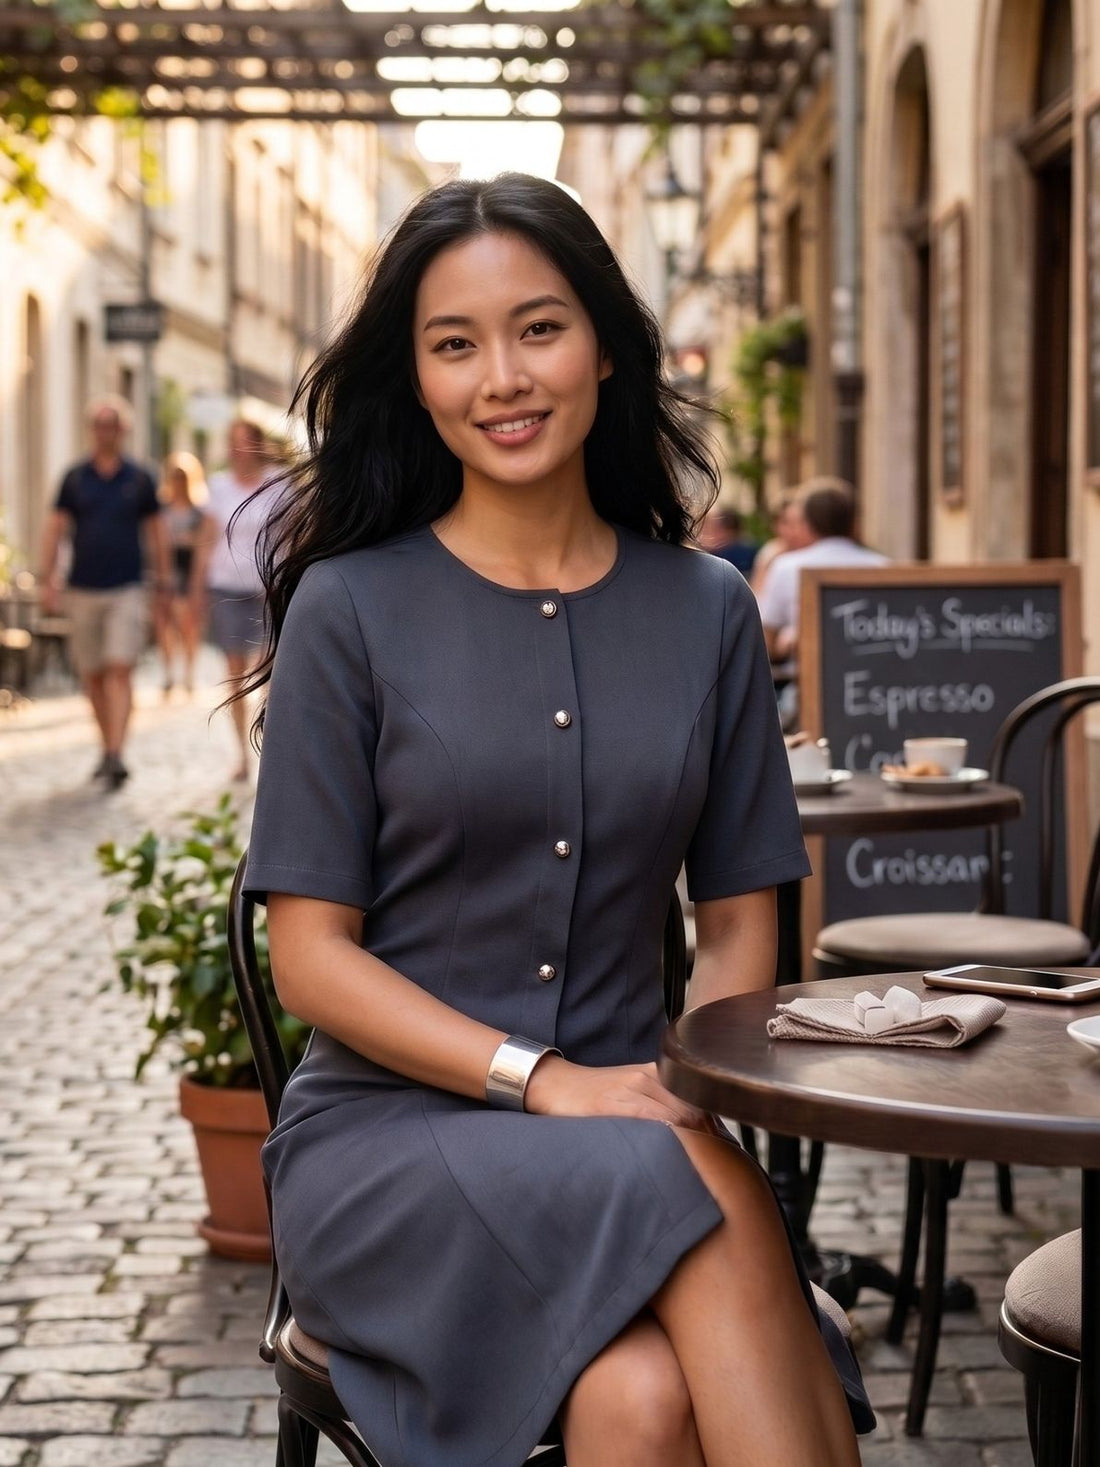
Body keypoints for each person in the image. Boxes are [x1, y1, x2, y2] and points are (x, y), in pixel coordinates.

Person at [242, 175, 872, 1467]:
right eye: (454, 343)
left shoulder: (708, 611)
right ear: (414, 380)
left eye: (538, 327)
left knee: (642, 1395)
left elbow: (746, 919)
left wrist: (684, 1092)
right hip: (389, 1148)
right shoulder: (349, 611)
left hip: (638, 1123)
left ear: (603, 345)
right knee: (685, 1189)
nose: (502, 377)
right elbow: (308, 958)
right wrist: (552, 1083)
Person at [39, 395, 169, 790]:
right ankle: (105, 746)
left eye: (112, 425)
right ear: (92, 430)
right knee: (92, 675)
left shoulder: (140, 477)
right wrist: (48, 578)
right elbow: (56, 528)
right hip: (82, 587)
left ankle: (116, 753)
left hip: (126, 587)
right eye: (99, 425)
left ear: (122, 430)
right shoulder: (75, 478)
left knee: (119, 667)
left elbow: (157, 532)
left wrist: (162, 581)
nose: (105, 432)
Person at [199, 419, 280, 781]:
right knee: (234, 674)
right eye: (231, 443)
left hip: (268, 589)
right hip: (227, 587)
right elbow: (207, 538)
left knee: (271, 673)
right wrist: (196, 590)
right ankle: (242, 755)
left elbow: (294, 536)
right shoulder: (217, 486)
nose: (235, 450)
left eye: (242, 443)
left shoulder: (280, 484)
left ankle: (273, 748)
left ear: (256, 446)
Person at [757, 477, 890, 668]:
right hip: (875, 684)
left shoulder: (786, 567)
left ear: (807, 523)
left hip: (804, 684)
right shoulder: (884, 567)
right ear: (854, 520)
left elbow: (766, 642)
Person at [155, 451, 214, 697]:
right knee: (165, 623)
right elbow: (157, 542)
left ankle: (189, 672)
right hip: (165, 569)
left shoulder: (201, 512)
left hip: (190, 569)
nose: (178, 481)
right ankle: (169, 672)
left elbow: (203, 545)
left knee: (189, 624)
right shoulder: (161, 509)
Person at [696, 504, 758, 575]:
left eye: (709, 528)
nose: (704, 533)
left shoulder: (739, 553)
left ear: (728, 531)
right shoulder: (750, 548)